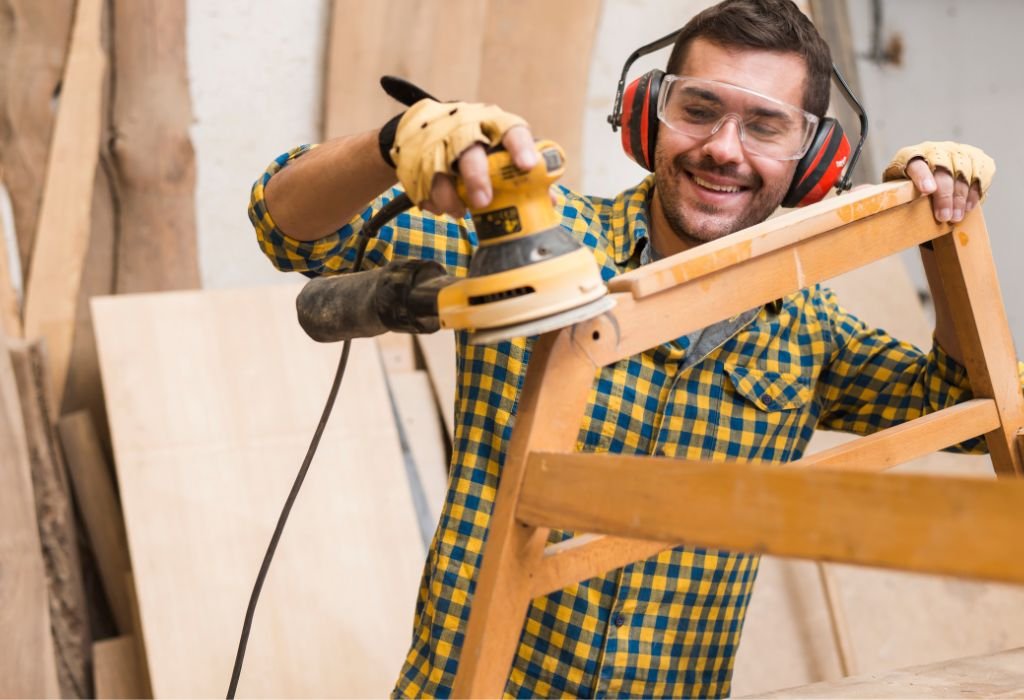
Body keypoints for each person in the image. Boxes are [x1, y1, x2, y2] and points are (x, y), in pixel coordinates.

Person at [249, 0, 1019, 696]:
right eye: (701, 109)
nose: (724, 148)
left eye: (765, 125)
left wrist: (939, 228)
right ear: (648, 113)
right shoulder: (530, 243)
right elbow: (289, 229)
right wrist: (391, 145)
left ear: (812, 161)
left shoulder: (810, 332)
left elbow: (965, 406)